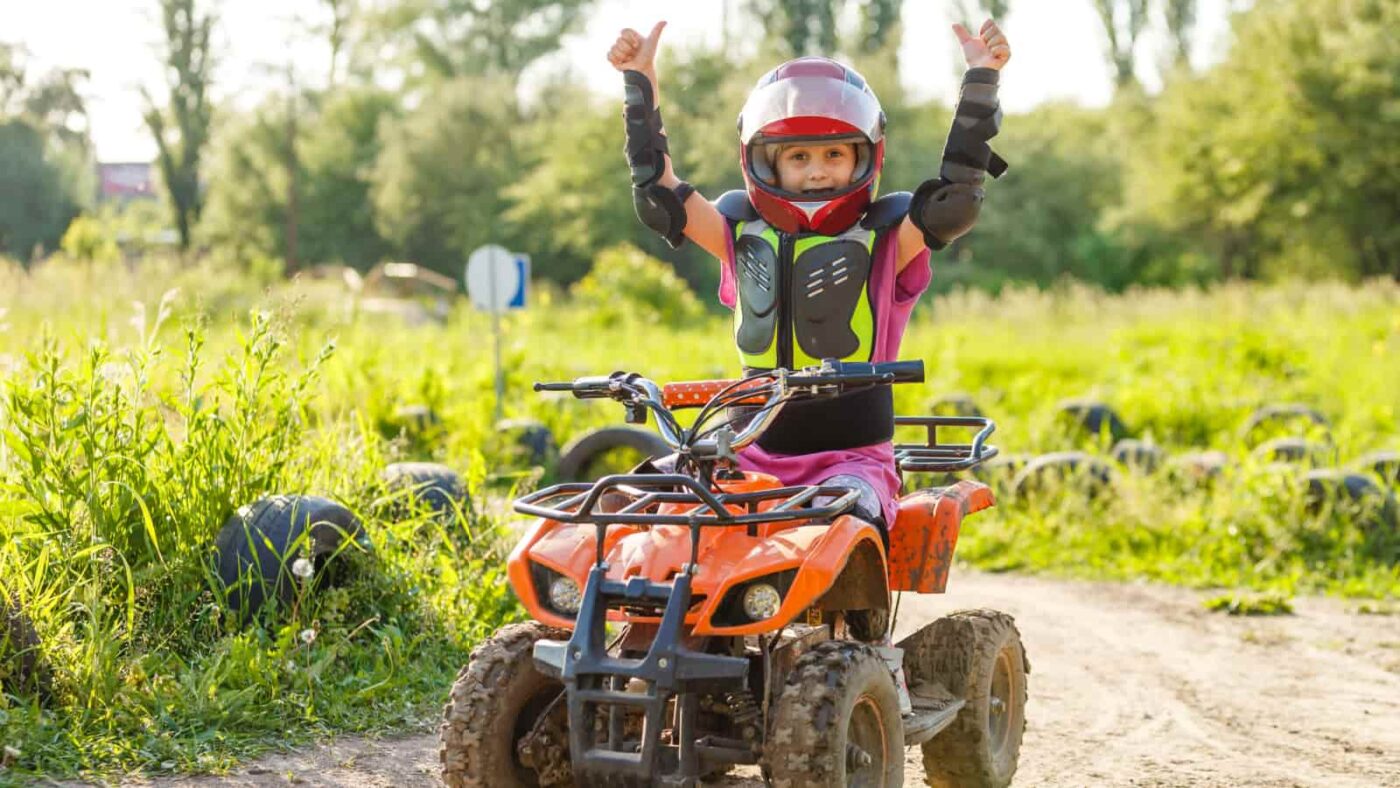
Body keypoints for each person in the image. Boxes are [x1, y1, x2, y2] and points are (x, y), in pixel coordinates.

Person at [607, 20, 1011, 534]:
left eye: (834, 154)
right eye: (798, 157)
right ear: (764, 161)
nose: (817, 172)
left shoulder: (885, 238)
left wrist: (981, 79)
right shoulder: (739, 231)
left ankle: (850, 614)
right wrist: (639, 83)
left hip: (850, 463)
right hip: (744, 456)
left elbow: (954, 203)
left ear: (866, 156)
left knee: (843, 519)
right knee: (624, 506)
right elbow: (660, 200)